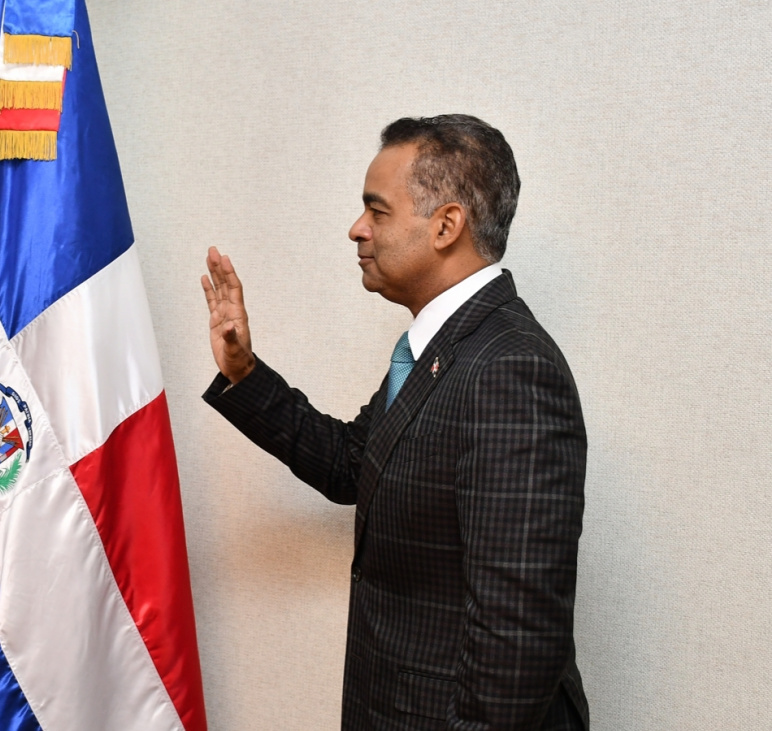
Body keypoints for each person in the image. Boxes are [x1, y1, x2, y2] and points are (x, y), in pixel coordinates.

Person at [201, 115, 589, 729]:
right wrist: (245, 373)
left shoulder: (510, 368)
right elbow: (354, 464)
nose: (357, 229)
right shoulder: (443, 348)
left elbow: (519, 647)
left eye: (376, 211)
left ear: (446, 225)